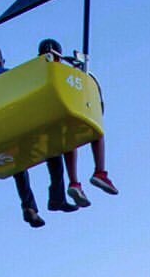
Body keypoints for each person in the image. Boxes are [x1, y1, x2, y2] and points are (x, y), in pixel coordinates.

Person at [0, 44, 78, 227]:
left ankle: (28, 207)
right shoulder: (8, 75)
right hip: (17, 125)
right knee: (54, 149)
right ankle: (57, 197)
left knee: (18, 166)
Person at [36, 39, 119, 205]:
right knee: (96, 131)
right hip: (64, 113)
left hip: (51, 122)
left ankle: (74, 182)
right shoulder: (62, 72)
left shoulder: (34, 75)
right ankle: (99, 172)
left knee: (69, 141)